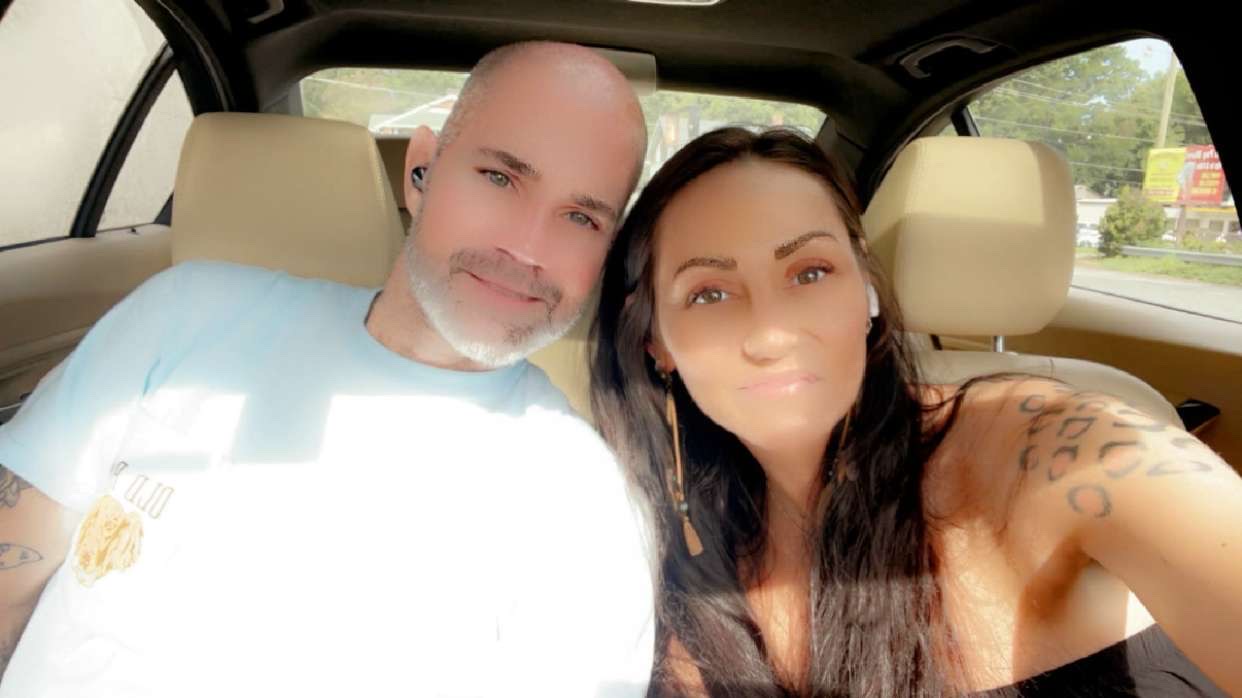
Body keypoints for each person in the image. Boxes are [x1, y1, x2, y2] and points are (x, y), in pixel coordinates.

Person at [0, 41, 653, 697]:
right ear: (420, 171)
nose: (527, 248)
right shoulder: (182, 314)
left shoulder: (583, 504)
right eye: (499, 178)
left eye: (580, 217)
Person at [589, 127, 1242, 697]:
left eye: (810, 273)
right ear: (655, 340)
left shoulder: (1036, 446)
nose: (771, 334)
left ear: (866, 290)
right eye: (709, 293)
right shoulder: (658, 554)